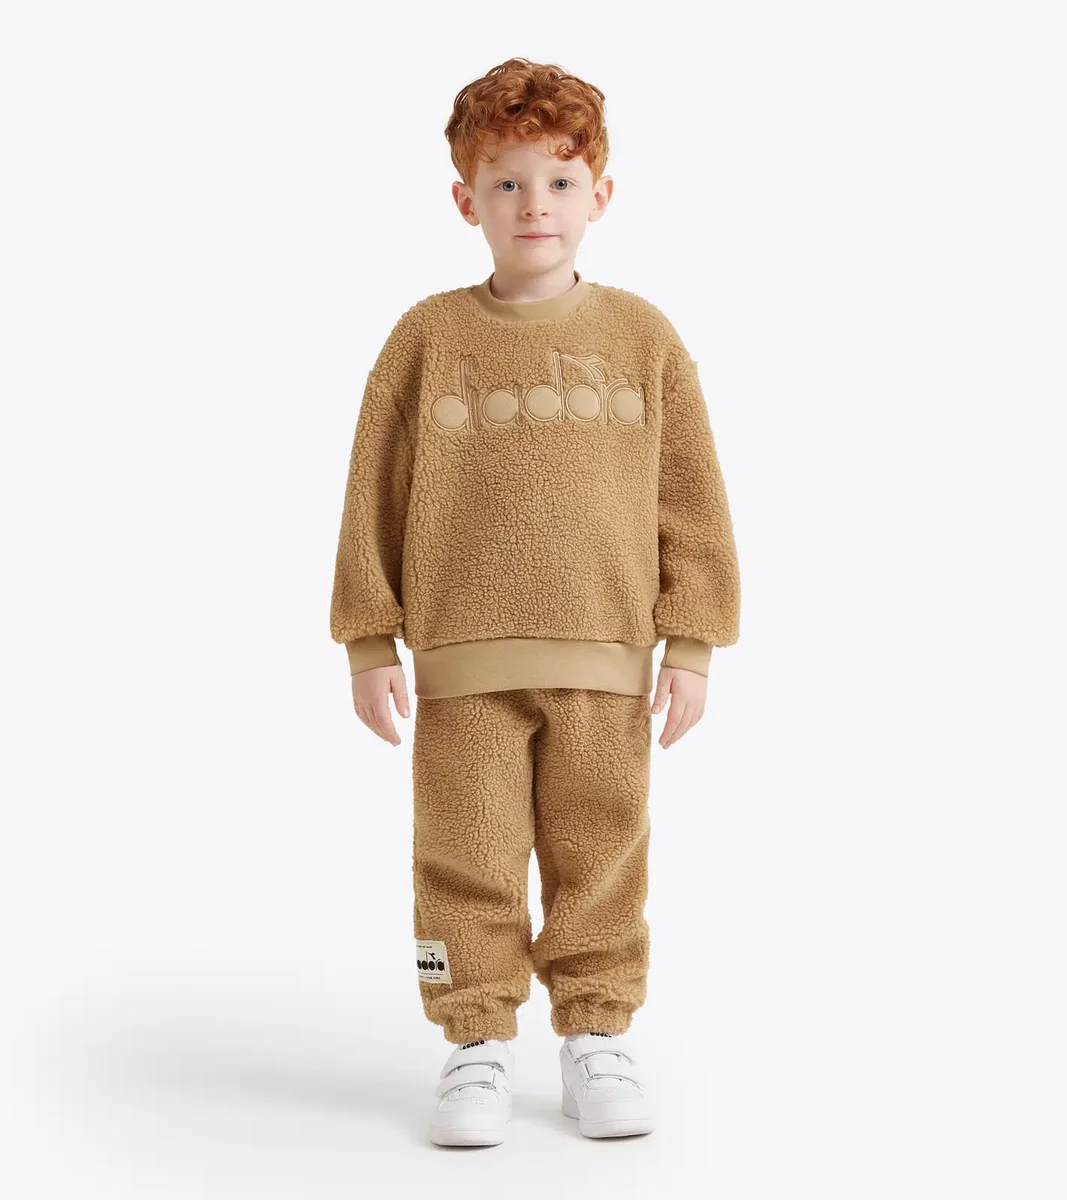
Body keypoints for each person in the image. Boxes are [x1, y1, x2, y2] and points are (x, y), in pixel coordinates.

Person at [329, 56, 740, 1147]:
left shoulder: (643, 338)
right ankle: (473, 1039)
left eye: (558, 182)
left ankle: (596, 1031)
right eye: (505, 182)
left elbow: (690, 497)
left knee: (599, 852)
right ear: (464, 198)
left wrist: (691, 641)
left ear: (599, 194)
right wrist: (368, 638)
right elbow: (373, 490)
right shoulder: (425, 339)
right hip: (459, 661)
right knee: (462, 854)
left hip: (608, 659)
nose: (533, 205)